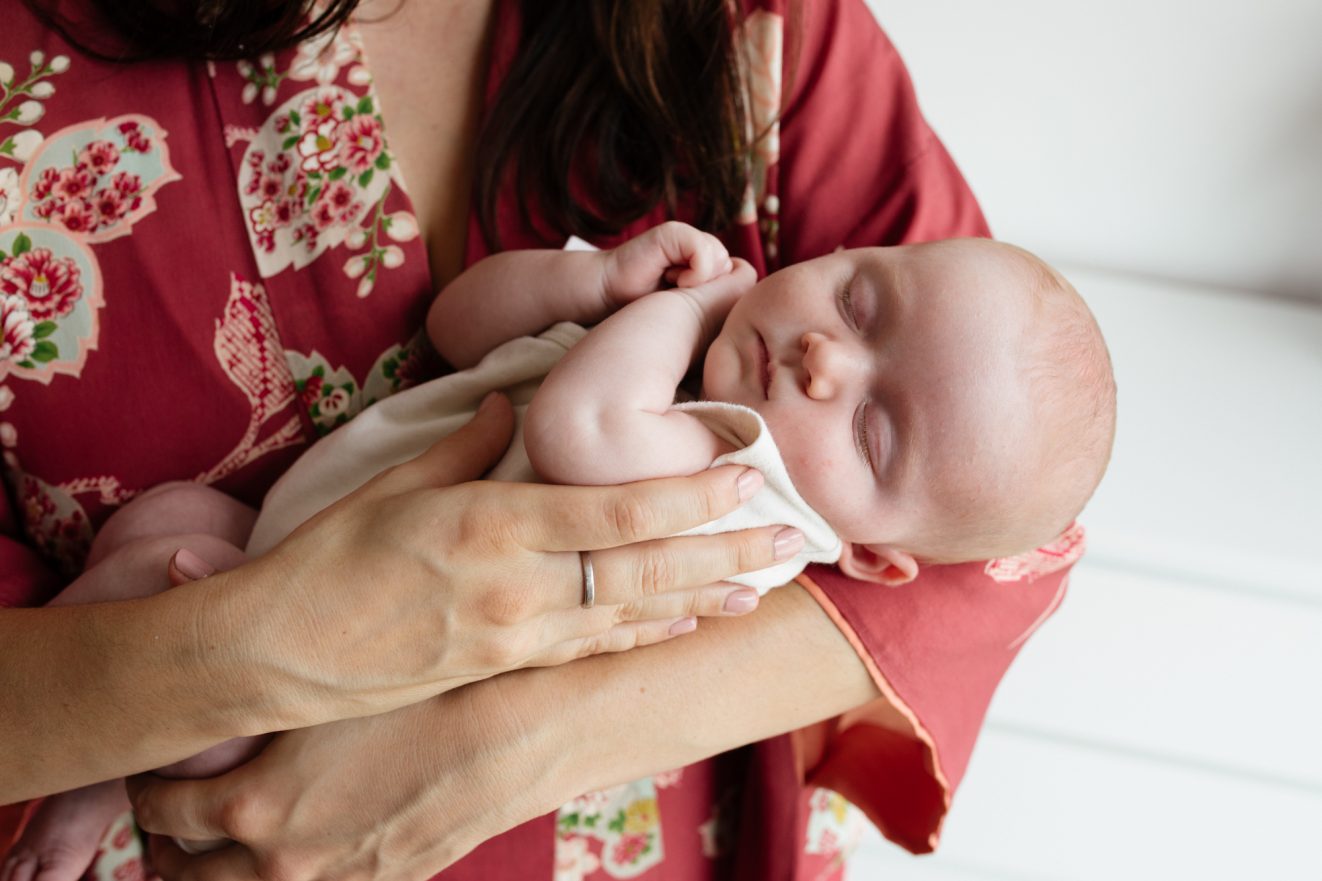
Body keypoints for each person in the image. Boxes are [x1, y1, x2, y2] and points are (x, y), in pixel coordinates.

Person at [0, 1, 1090, 879]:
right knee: (160, 548)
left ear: (869, 555)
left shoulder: (739, 468)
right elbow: (462, 327)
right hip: (235, 631)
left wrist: (488, 750)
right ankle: (98, 770)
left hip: (481, 777)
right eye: (854, 301)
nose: (821, 360)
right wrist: (590, 280)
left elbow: (1003, 542)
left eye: (871, 424)